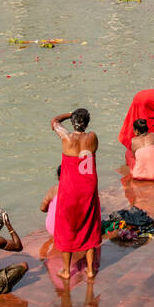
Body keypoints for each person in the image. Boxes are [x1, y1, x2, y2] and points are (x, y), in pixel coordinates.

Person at [50, 108, 101, 279]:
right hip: (88, 186)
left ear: (73, 123)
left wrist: (68, 113)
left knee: (67, 227)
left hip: (70, 189)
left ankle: (66, 270)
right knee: (89, 224)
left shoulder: (66, 137)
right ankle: (91, 269)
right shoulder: (92, 137)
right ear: (87, 122)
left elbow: (54, 122)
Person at [40, 166, 60, 236]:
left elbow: (43, 208)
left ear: (58, 177)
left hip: (52, 228)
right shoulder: (78, 189)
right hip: (68, 230)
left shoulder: (53, 189)